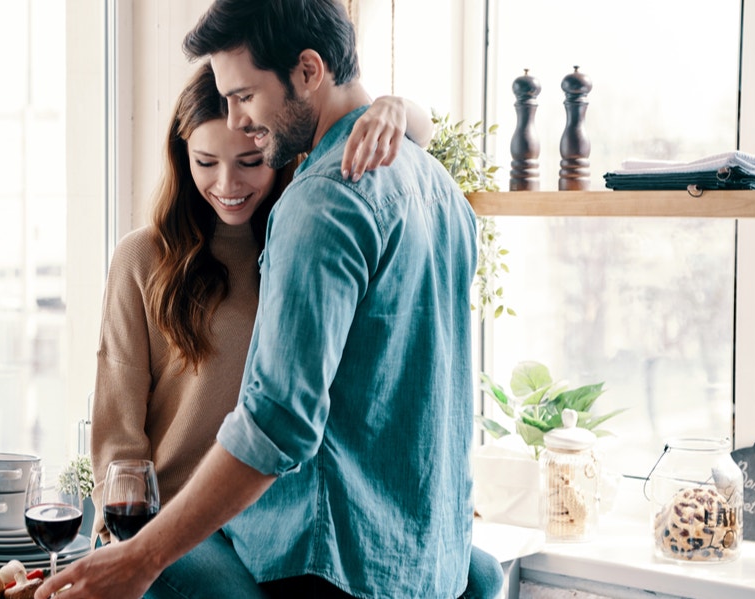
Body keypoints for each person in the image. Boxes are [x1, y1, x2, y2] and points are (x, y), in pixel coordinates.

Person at [42, 0, 482, 595]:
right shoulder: (439, 188)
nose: (241, 120)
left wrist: (142, 557)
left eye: (246, 96)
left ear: (307, 71)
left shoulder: (320, 201)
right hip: (424, 561)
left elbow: (276, 425)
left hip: (331, 562)